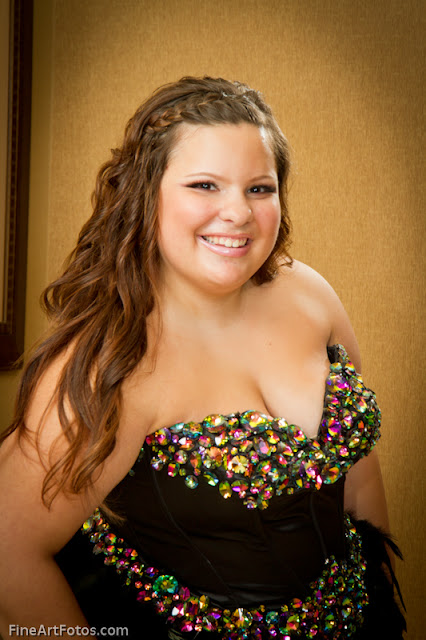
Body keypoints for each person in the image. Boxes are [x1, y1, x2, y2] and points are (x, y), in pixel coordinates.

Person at [0, 76, 405, 640]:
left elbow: (357, 471)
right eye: (204, 185)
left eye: (259, 188)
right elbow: (9, 550)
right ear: (147, 194)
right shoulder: (111, 360)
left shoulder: (310, 294)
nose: (237, 212)